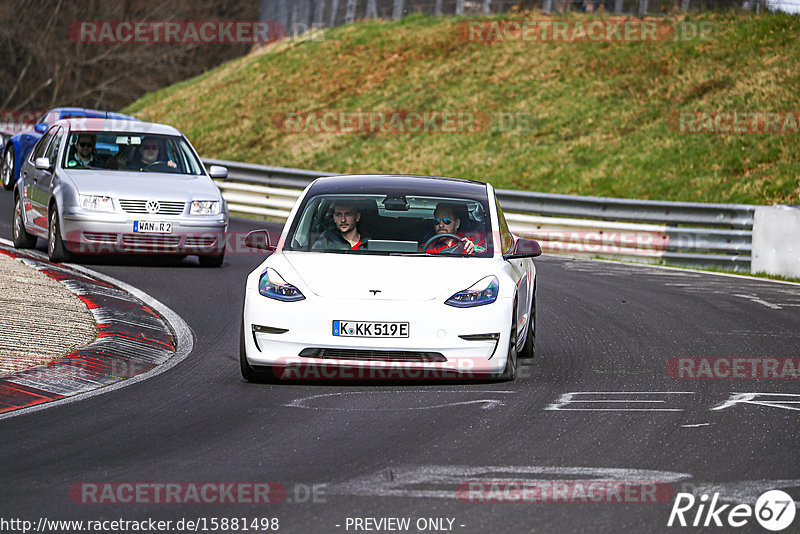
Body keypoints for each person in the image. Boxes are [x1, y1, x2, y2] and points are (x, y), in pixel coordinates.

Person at [420, 202, 486, 255]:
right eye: (436, 221)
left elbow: (487, 255)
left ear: (457, 223)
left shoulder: (474, 238)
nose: (441, 225)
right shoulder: (427, 247)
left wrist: (474, 249)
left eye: (446, 221)